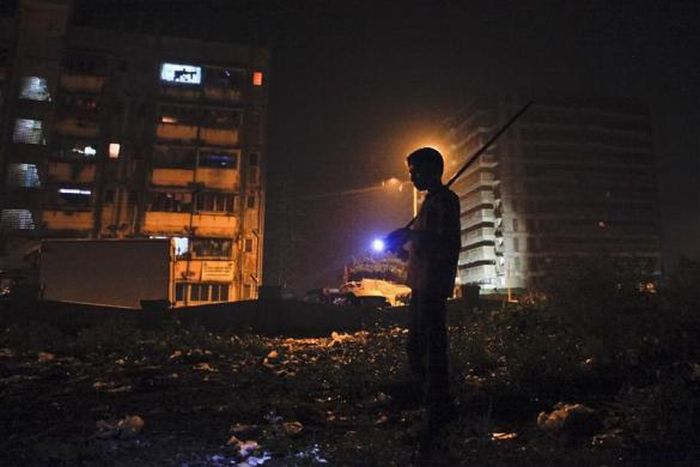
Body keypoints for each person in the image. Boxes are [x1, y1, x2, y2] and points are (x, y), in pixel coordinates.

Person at [386, 147, 461, 437]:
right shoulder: (429, 204)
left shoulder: (445, 201)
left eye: (415, 170)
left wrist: (408, 235)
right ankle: (432, 403)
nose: (412, 176)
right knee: (417, 347)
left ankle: (438, 410)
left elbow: (443, 242)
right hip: (420, 284)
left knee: (431, 349)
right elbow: (423, 248)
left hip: (433, 285)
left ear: (432, 170)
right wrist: (403, 248)